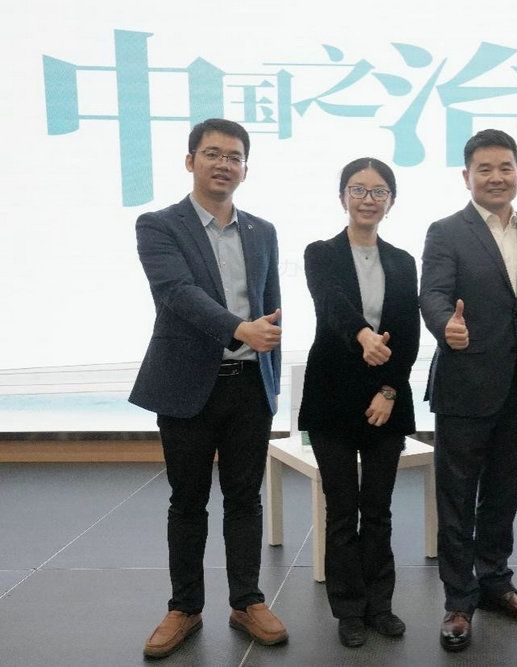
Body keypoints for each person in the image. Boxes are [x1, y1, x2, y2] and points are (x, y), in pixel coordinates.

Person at [130, 118, 287, 658]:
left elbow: (271, 309)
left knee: (245, 499)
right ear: (190, 160)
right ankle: (184, 608)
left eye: (234, 156)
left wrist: (269, 374)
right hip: (186, 385)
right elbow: (176, 293)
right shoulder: (159, 225)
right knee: (187, 501)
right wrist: (239, 329)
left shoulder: (262, 230)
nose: (224, 164)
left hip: (248, 386)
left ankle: (247, 601)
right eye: (213, 153)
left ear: (245, 168)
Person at [420, 129, 517, 652]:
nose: (496, 177)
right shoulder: (446, 231)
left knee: (502, 492)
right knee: (457, 498)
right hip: (464, 383)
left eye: (505, 167)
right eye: (485, 169)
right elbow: (432, 294)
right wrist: (444, 326)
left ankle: (495, 581)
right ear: (466, 176)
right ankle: (459, 600)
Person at [297, 157, 419, 648]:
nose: (368, 199)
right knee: (342, 509)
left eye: (379, 191)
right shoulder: (320, 253)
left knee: (379, 509)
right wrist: (363, 335)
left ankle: (380, 605)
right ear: (342, 196)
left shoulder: (403, 261)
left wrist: (389, 390)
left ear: (392, 201)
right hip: (331, 398)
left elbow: (408, 333)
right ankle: (348, 609)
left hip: (386, 399)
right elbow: (331, 305)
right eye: (358, 189)